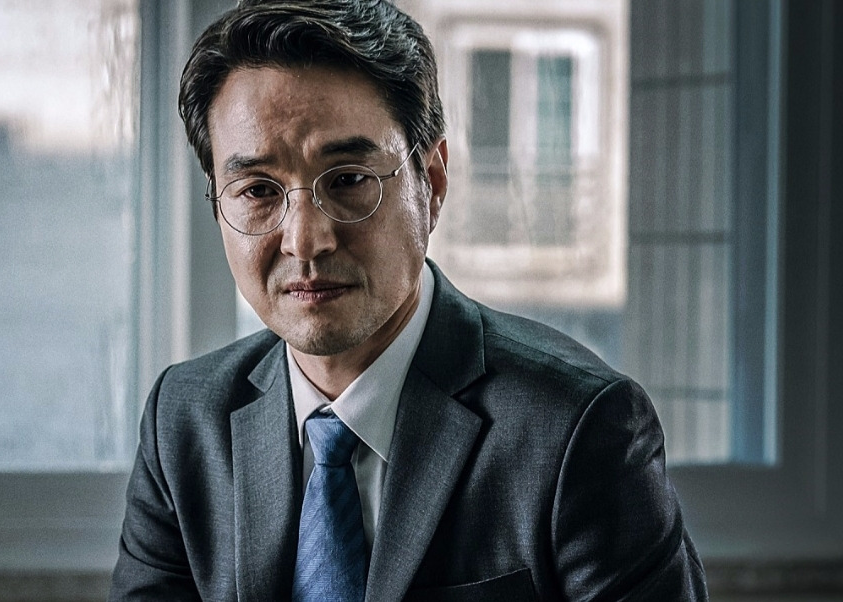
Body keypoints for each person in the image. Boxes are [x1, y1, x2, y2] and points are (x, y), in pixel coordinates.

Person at [109, 1, 709, 600]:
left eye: (348, 180)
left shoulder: (578, 429)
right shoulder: (183, 423)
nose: (305, 240)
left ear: (433, 182)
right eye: (258, 190)